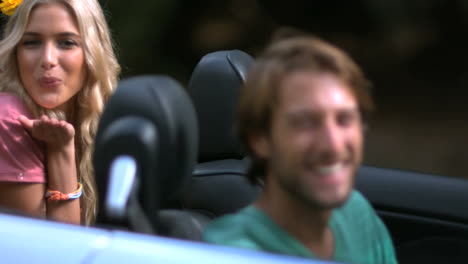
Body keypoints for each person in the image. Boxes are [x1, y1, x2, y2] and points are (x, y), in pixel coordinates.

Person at [203, 35, 398, 263]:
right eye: (306, 122)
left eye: (345, 119)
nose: (333, 144)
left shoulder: (357, 213)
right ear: (260, 139)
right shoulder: (230, 253)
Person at [0, 0, 120, 225]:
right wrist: (61, 151)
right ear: (16, 51)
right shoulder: (8, 118)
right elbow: (49, 250)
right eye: (32, 42)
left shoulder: (100, 120)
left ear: (93, 51)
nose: (47, 60)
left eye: (66, 43)